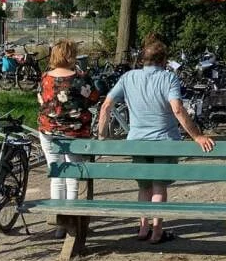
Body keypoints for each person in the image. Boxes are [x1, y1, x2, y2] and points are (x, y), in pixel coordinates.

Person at [98, 39, 214, 244]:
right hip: (164, 141)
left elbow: (106, 105)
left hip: (137, 142)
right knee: (159, 185)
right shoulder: (168, 78)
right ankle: (157, 231)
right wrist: (197, 136)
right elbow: (177, 109)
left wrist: (102, 135)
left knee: (144, 186)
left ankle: (143, 228)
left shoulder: (128, 77)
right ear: (163, 60)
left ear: (143, 59)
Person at [37, 39, 99, 238]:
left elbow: (40, 100)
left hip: (48, 130)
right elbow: (94, 98)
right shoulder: (80, 78)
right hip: (74, 131)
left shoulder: (45, 77)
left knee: (56, 174)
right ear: (70, 55)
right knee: (72, 175)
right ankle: (72, 221)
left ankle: (60, 225)